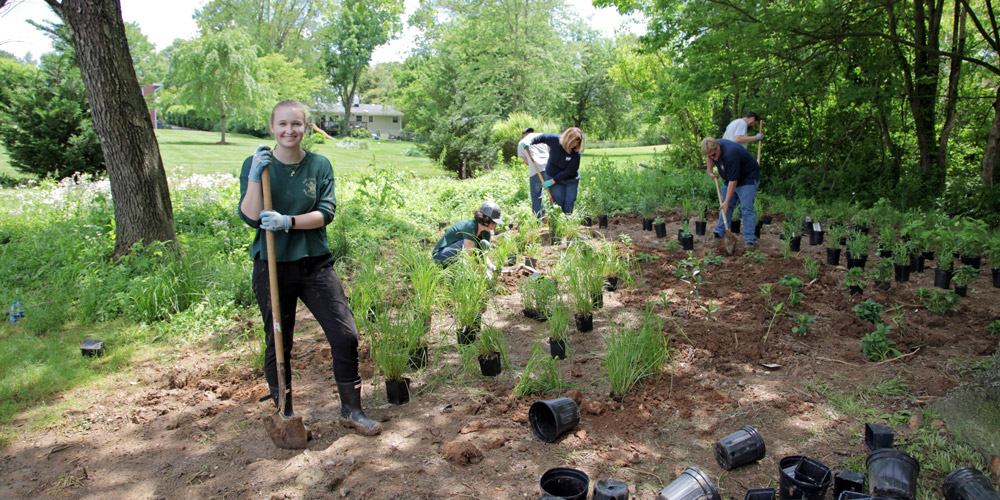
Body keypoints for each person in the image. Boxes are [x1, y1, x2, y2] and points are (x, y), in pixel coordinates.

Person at [239, 99, 381, 436]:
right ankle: (284, 413)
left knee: (345, 335)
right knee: (278, 340)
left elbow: (325, 212)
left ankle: (352, 410)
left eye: (297, 124)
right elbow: (249, 216)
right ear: (272, 127)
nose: (290, 131)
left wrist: (288, 221)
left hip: (315, 265)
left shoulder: (319, 165)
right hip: (272, 265)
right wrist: (255, 176)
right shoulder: (256, 163)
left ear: (306, 127)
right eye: (283, 124)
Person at [702, 137, 760, 250]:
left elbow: (734, 182)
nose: (713, 158)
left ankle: (749, 240)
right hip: (731, 177)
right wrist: (709, 171)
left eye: (714, 155)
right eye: (710, 156)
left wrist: (727, 201)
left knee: (746, 208)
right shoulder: (712, 150)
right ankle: (720, 233)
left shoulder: (731, 154)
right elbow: (709, 157)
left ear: (718, 147)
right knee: (724, 208)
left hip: (747, 177)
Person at [432, 201, 503, 269]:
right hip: (441, 257)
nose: (495, 224)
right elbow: (468, 254)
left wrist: (491, 267)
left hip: (458, 257)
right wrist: (481, 271)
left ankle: (461, 271)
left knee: (485, 244)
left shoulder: (486, 233)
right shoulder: (470, 226)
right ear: (486, 220)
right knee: (468, 245)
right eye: (494, 222)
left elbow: (482, 255)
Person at [530, 127, 584, 214]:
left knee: (569, 201)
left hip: (570, 180)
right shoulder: (555, 140)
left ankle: (566, 224)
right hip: (553, 175)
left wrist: (552, 181)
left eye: (577, 143)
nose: (575, 145)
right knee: (557, 201)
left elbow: (570, 171)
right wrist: (531, 142)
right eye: (573, 142)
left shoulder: (576, 153)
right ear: (567, 139)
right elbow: (543, 137)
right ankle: (555, 224)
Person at [517, 127, 550, 219]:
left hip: (536, 170)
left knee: (536, 196)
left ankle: (537, 222)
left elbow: (526, 162)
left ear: (524, 134)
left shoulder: (522, 142)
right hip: (549, 168)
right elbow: (549, 151)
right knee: (552, 194)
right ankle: (549, 216)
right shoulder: (541, 137)